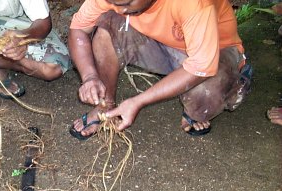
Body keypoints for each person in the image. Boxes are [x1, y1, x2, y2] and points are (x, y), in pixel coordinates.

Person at [68, 0, 252, 140]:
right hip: (162, 43)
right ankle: (105, 105)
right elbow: (78, 30)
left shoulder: (194, 3)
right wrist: (90, 77)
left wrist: (138, 102)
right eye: (113, 2)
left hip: (213, 51)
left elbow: (202, 65)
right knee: (108, 24)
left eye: (128, 2)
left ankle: (236, 77)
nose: (121, 9)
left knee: (203, 98)